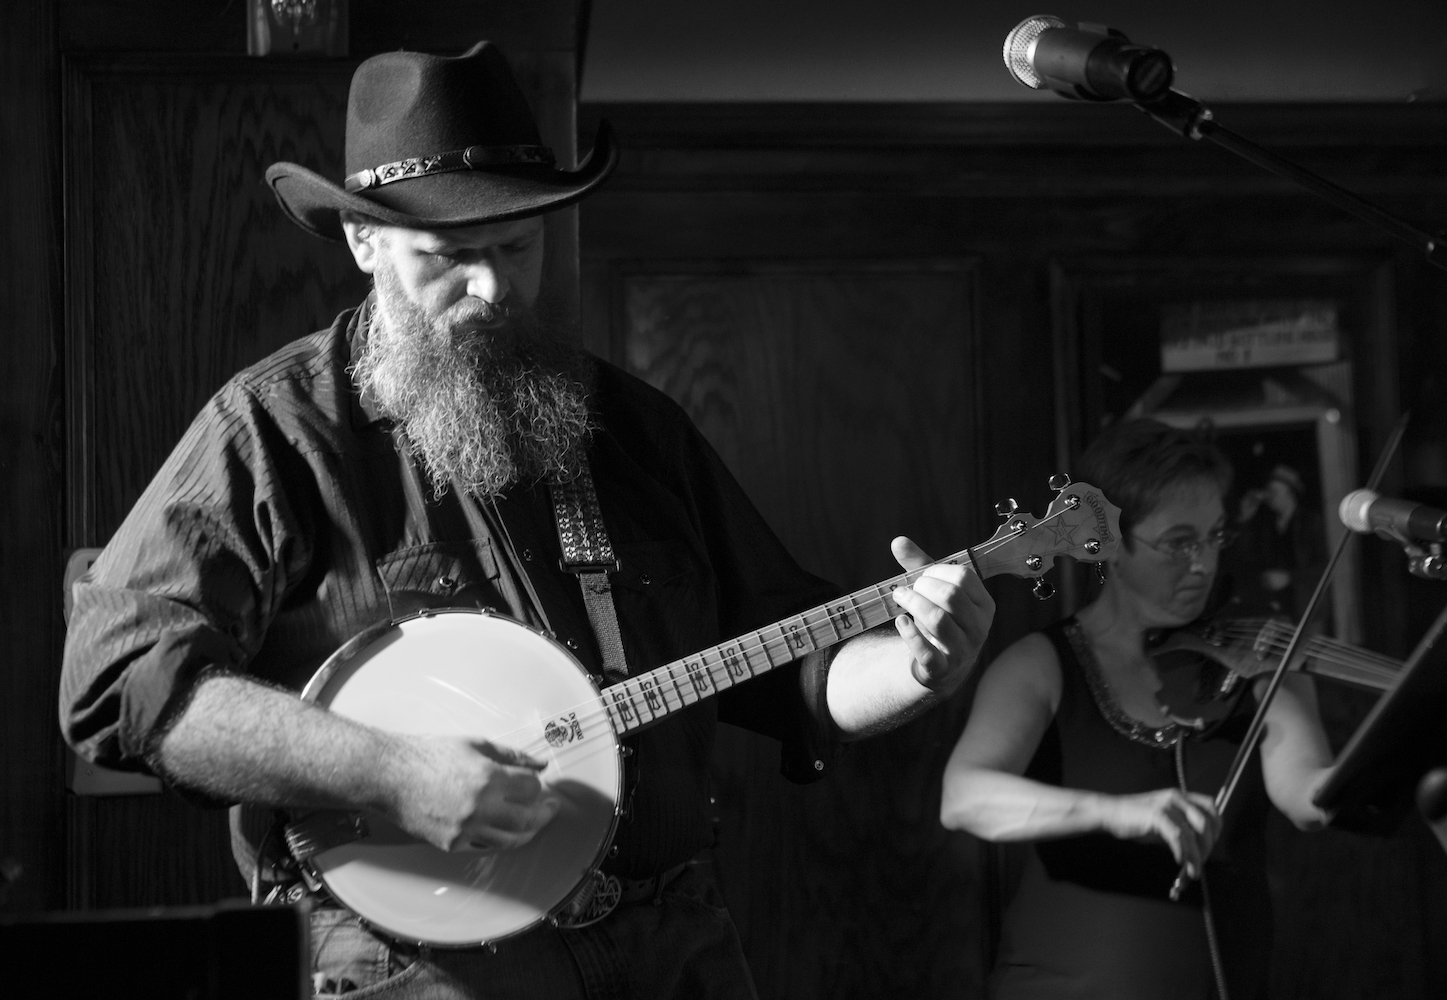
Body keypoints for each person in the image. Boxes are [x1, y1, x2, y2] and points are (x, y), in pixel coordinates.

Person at [58, 42, 994, 999]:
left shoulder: (632, 427)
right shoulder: (274, 431)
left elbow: (794, 665)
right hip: (415, 967)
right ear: (363, 241)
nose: (496, 289)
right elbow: (122, 688)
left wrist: (920, 668)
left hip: (676, 946)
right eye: (452, 256)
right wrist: (390, 771)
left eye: (517, 246)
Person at [941, 419, 1334, 1000]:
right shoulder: (1040, 665)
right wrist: (1121, 813)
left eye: (1214, 536)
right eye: (1179, 542)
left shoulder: (1257, 660)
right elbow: (964, 798)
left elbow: (1311, 802)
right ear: (1110, 542)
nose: (1203, 564)